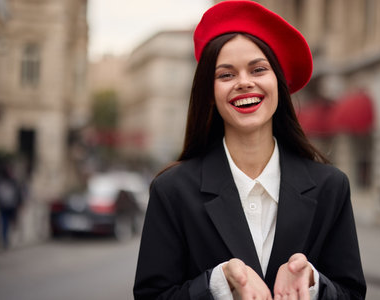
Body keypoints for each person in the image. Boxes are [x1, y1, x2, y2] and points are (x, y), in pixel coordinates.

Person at [134, 1, 366, 299]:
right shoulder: (172, 191)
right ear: (209, 93)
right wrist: (218, 284)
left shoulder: (331, 187)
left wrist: (313, 283)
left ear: (279, 84)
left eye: (258, 69)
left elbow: (352, 293)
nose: (244, 83)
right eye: (226, 75)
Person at [0, 160, 24, 249]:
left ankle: (7, 238)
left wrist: (20, 202)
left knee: (10, 222)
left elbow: (18, 192)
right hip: (5, 205)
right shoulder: (2, 180)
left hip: (10, 205)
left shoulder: (8, 180)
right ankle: (5, 240)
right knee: (5, 223)